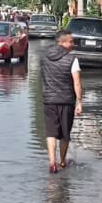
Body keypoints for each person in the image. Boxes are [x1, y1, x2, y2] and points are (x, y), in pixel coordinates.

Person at [41, 30, 83, 174]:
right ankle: (62, 162)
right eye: (71, 41)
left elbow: (44, 77)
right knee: (65, 134)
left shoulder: (44, 57)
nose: (73, 44)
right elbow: (77, 82)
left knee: (51, 133)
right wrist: (79, 102)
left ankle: (52, 163)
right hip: (66, 101)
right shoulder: (72, 59)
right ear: (62, 42)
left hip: (49, 100)